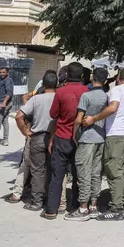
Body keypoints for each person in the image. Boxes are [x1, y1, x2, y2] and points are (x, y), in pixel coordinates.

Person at [83, 68, 124, 221]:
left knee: (113, 170)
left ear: (119, 77)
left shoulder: (117, 89)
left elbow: (113, 108)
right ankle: (123, 203)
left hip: (115, 134)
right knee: (123, 170)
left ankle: (116, 208)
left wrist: (93, 118)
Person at [44, 62, 89, 220]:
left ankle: (51, 210)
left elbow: (53, 114)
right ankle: (76, 206)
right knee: (78, 175)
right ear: (82, 75)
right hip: (80, 139)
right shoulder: (86, 91)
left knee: (57, 175)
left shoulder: (61, 91)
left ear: (67, 74)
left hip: (62, 137)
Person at [64, 67, 109, 221]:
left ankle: (83, 208)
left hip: (87, 138)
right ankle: (94, 205)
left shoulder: (86, 96)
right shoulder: (106, 96)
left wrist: (74, 133)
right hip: (100, 138)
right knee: (96, 173)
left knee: (84, 172)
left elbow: (79, 119)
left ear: (92, 78)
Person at [13, 71, 57, 212]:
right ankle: (52, 200)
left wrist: (25, 132)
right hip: (55, 137)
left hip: (37, 137)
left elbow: (19, 116)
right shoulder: (59, 98)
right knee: (54, 170)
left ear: (43, 84)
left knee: (37, 170)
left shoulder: (36, 99)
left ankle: (37, 201)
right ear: (56, 84)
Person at [0, 66, 14, 147]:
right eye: (0, 72)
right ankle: (5, 140)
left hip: (3, 103)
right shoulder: (6, 80)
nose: (1, 74)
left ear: (7, 72)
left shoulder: (7, 80)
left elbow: (9, 92)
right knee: (5, 121)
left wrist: (4, 102)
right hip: (7, 103)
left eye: (3, 72)